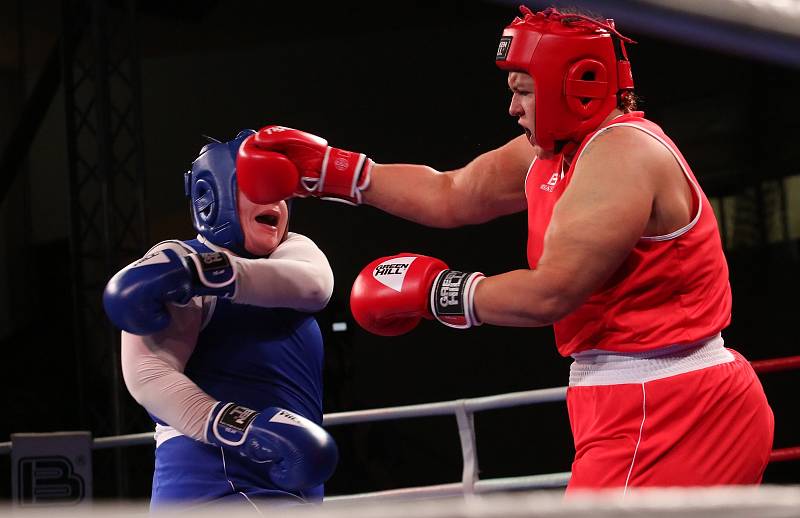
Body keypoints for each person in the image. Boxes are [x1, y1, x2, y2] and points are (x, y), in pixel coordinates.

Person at [233, 7, 774, 491]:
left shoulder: (622, 156)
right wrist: (337, 172)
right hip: (635, 400)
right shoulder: (555, 152)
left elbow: (551, 294)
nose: (513, 107)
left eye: (525, 90)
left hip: (671, 408)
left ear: (578, 84)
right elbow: (453, 193)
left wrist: (437, 293)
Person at [102, 130, 338, 510]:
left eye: (279, 189)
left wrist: (203, 273)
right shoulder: (175, 260)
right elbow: (148, 376)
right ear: (212, 196)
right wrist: (242, 426)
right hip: (212, 485)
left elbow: (316, 285)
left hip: (286, 480)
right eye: (257, 186)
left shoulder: (293, 252)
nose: (273, 199)